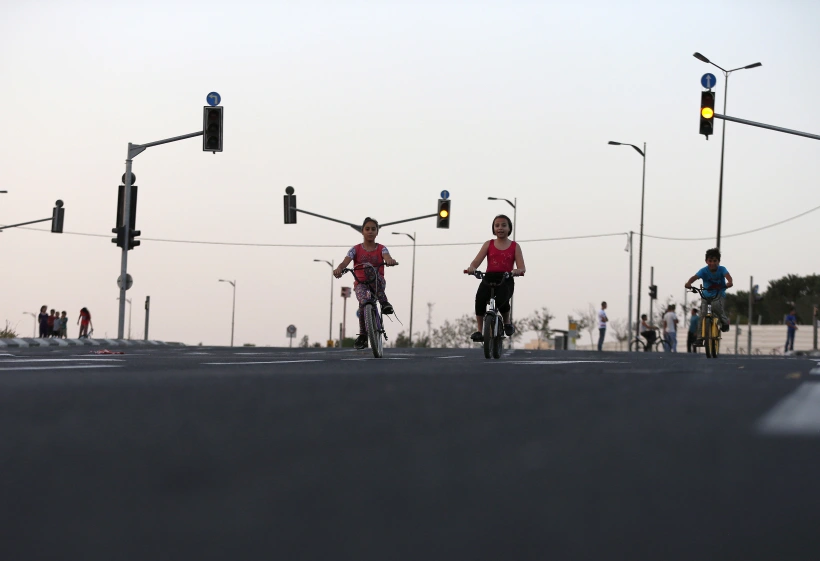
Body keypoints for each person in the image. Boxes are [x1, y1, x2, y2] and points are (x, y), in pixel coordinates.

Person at [333, 217, 397, 350]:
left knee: (369, 268)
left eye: (373, 229)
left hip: (377, 282)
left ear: (377, 232)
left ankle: (384, 303)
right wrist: (339, 268)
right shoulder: (355, 250)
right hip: (361, 284)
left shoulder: (381, 249)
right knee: (364, 303)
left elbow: (387, 257)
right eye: (367, 229)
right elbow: (345, 262)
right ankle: (363, 335)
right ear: (362, 231)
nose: (370, 231)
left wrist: (390, 261)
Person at [466, 214, 526, 342]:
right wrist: (472, 268)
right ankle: (479, 330)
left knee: (502, 300)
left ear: (509, 228)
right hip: (488, 277)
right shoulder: (489, 244)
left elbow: (522, 267)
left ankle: (507, 323)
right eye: (497, 225)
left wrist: (517, 271)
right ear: (493, 229)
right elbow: (476, 261)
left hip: (506, 278)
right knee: (480, 299)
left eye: (504, 225)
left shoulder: (515, 246)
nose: (500, 228)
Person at [684, 247, 733, 344]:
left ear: (718, 261)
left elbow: (729, 278)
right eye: (710, 261)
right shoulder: (703, 271)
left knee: (717, 307)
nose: (712, 263)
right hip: (706, 296)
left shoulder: (722, 269)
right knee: (702, 315)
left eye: (715, 261)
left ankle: (724, 322)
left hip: (718, 295)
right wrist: (689, 283)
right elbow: (694, 277)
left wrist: (729, 283)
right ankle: (699, 338)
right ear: (706, 261)